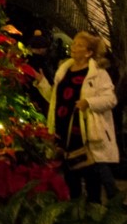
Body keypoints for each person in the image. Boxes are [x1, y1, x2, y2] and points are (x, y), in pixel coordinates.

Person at [35, 30, 119, 204]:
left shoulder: (98, 74)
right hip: (63, 134)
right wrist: (42, 83)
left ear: (89, 52)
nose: (74, 47)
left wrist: (89, 102)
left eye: (79, 45)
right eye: (74, 43)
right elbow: (55, 99)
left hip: (86, 134)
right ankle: (75, 215)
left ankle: (94, 216)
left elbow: (111, 99)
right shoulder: (63, 71)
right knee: (71, 181)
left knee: (92, 181)